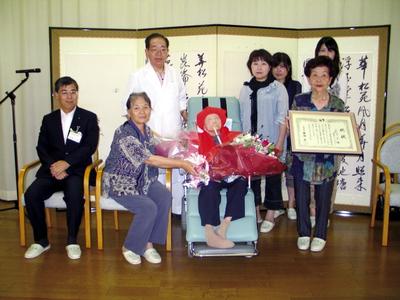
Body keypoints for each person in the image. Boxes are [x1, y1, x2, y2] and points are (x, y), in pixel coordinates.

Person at [102, 92, 196, 265]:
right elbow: (150, 159)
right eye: (136, 108)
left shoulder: (146, 130)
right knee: (148, 207)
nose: (142, 111)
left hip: (144, 179)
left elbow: (161, 142)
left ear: (150, 110)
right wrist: (181, 163)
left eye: (146, 107)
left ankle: (147, 243)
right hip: (122, 183)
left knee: (165, 196)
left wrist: (183, 143)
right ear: (128, 112)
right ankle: (130, 247)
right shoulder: (124, 133)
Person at [24, 76, 99, 260]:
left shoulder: (88, 117)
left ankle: (72, 240)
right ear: (56, 95)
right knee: (31, 194)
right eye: (64, 92)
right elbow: (41, 147)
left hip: (76, 170)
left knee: (74, 193)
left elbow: (89, 146)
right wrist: (54, 167)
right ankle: (41, 240)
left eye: (73, 91)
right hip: (51, 171)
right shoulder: (48, 119)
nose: (69, 96)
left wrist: (67, 163)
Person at [124, 32, 187, 216]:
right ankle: (156, 211)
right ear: (146, 52)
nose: (159, 53)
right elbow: (128, 105)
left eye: (163, 49)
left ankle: (176, 211)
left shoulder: (175, 73)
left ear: (168, 52)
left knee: (176, 170)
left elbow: (182, 100)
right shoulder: (137, 75)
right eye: (154, 49)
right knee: (153, 173)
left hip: (174, 132)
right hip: (150, 134)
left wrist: (188, 119)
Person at [290, 56, 345, 252]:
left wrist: (350, 132)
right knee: (302, 198)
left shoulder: (338, 104)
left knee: (324, 198)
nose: (319, 79)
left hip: (327, 159)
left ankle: (320, 234)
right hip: (302, 158)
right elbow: (294, 129)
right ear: (308, 78)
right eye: (314, 75)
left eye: (324, 75)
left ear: (330, 79)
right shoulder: (299, 100)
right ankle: (303, 233)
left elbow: (342, 132)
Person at [239, 49, 289, 234]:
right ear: (250, 66)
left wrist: (280, 143)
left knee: (273, 178)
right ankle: (256, 213)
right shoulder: (245, 88)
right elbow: (241, 115)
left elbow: (282, 118)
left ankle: (271, 214)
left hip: (272, 139)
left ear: (269, 66)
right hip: (250, 141)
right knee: (253, 179)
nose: (259, 68)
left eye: (263, 63)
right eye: (255, 63)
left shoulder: (278, 88)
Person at [196, 107, 248, 248]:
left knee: (241, 182)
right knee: (208, 186)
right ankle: (209, 231)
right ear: (203, 124)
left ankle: (224, 226)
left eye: (217, 118)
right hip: (211, 175)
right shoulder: (197, 139)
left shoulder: (234, 136)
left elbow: (245, 155)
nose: (214, 121)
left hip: (232, 174)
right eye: (210, 119)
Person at [311, 36, 342, 227]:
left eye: (330, 50)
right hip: (314, 132)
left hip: (335, 134)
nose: (326, 54)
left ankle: (325, 212)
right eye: (322, 50)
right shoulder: (313, 73)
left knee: (330, 173)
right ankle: (313, 210)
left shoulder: (340, 77)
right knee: (313, 173)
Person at [271, 52, 302, 221]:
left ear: (288, 68)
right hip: (273, 131)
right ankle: (275, 206)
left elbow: (296, 108)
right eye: (275, 66)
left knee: (291, 169)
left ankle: (291, 204)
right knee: (274, 170)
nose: (278, 70)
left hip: (292, 132)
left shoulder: (295, 86)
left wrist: (290, 127)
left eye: (282, 66)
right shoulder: (268, 86)